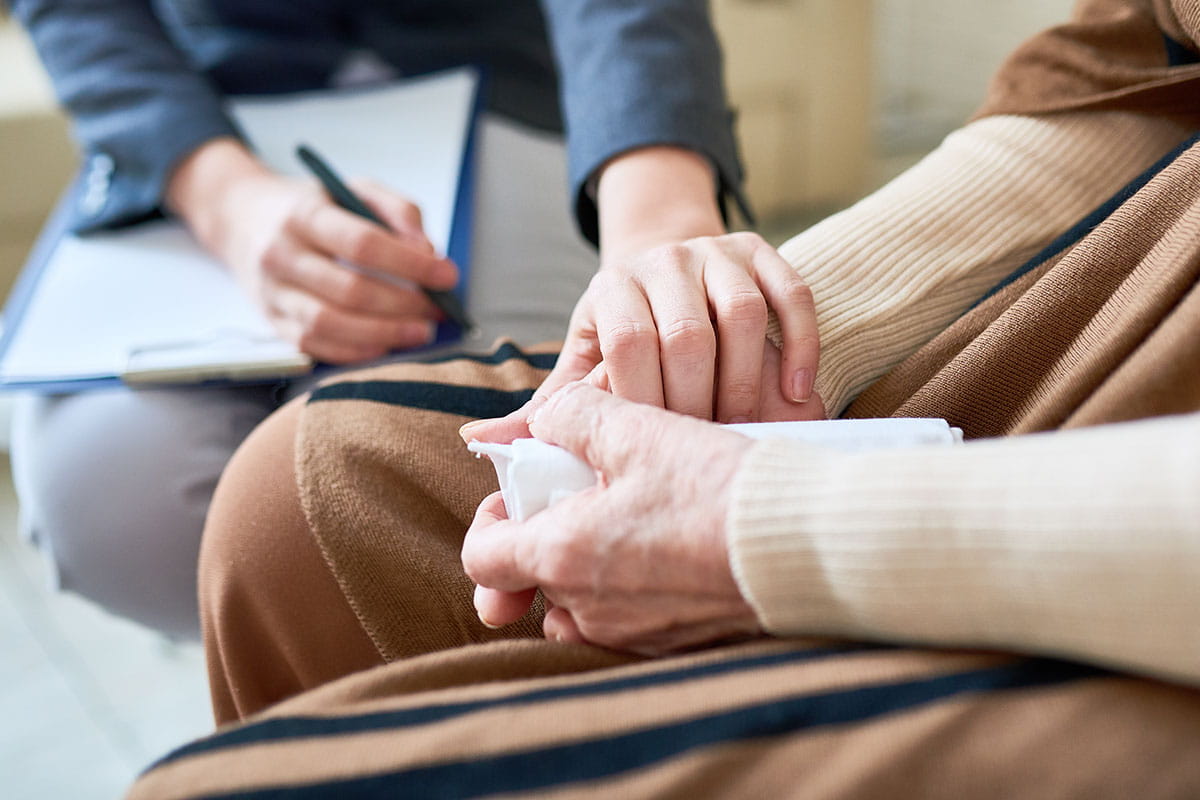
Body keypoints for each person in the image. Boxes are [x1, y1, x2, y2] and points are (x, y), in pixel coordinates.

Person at [133, 0, 1200, 796]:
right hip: (1139, 283)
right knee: (298, 500)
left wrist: (776, 528)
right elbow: (1138, 62)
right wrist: (758, 333)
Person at [8, 0, 821, 638]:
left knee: (485, 485)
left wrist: (656, 218)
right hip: (201, 115)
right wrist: (225, 199)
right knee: (108, 500)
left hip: (508, 79)